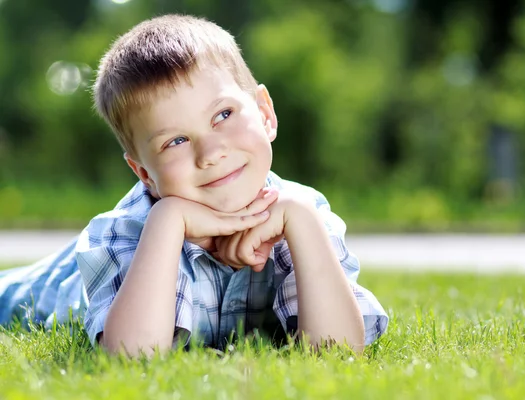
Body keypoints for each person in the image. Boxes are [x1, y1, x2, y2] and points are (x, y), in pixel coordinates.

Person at [0, 14, 388, 356]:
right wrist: (168, 219)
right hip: (63, 282)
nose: (211, 152)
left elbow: (337, 351)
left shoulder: (305, 214)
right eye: (176, 142)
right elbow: (131, 356)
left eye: (223, 114)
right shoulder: (125, 231)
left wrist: (301, 220)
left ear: (265, 113)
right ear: (145, 174)